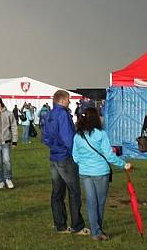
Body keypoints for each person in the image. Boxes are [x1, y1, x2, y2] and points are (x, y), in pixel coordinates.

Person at [72, 107, 132, 241]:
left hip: (85, 172)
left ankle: (95, 230)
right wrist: (124, 164)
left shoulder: (78, 135)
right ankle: (97, 231)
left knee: (91, 202)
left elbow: (75, 156)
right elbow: (109, 155)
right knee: (99, 203)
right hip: (100, 172)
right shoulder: (101, 134)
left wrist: (84, 163)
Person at [42, 90, 87, 235]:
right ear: (61, 100)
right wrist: (76, 154)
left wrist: (55, 147)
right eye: (68, 99)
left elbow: (45, 137)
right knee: (74, 192)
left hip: (54, 157)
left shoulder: (49, 114)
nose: (70, 102)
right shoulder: (63, 114)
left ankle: (60, 225)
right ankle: (77, 226)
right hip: (65, 157)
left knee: (57, 193)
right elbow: (68, 138)